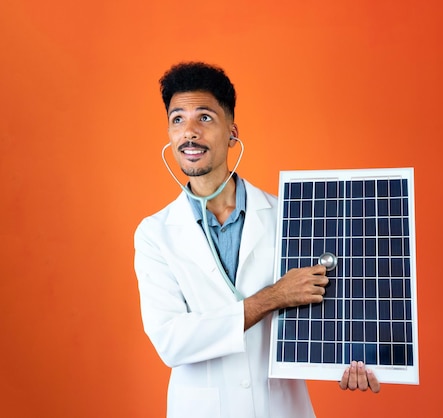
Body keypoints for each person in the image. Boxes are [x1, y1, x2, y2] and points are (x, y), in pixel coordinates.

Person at [134, 62, 380, 418]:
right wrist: (273, 297)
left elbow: (333, 311)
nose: (189, 132)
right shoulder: (155, 233)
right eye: (177, 119)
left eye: (204, 118)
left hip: (280, 407)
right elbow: (172, 341)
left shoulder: (289, 216)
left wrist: (357, 359)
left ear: (232, 133)